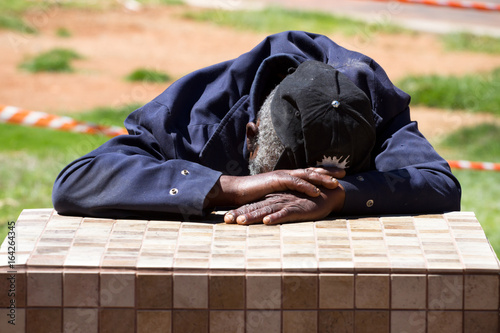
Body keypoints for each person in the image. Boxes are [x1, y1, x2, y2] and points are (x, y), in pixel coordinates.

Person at [52, 30, 461, 225]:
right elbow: (76, 181)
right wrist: (226, 186)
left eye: (321, 182)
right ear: (250, 138)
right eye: (286, 183)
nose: (286, 202)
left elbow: (440, 184)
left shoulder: (371, 105)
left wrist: (339, 199)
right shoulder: (193, 119)